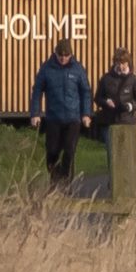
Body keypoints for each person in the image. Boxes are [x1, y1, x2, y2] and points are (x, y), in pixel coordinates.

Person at [27, 36, 92, 184]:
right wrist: (35, 113)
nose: (63, 58)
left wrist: (86, 114)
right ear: (55, 53)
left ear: (71, 54)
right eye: (60, 55)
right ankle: (55, 180)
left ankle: (66, 182)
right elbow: (37, 91)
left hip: (73, 118)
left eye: (66, 55)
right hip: (53, 117)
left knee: (69, 150)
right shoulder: (46, 68)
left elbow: (85, 92)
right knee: (52, 151)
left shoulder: (78, 69)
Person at [93, 48, 136, 127]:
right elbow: (97, 98)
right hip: (108, 121)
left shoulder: (134, 80)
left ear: (128, 63)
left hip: (127, 122)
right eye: (118, 63)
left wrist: (130, 106)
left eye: (123, 63)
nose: (120, 66)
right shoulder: (106, 78)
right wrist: (106, 102)